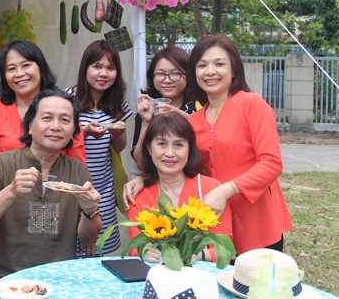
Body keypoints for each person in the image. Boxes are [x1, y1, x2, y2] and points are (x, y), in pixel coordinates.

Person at [125, 34, 293, 256]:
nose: (210, 71)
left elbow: (271, 163)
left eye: (219, 64)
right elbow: (182, 163)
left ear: (234, 69)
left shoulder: (252, 105)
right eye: (202, 65)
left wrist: (226, 190)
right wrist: (143, 179)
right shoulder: (194, 121)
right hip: (212, 225)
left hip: (256, 222)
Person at [0, 89, 102, 294]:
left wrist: (90, 210)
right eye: (47, 118)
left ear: (74, 130)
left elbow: (87, 239)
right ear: (30, 126)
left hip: (59, 281)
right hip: (3, 281)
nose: (55, 126)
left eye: (65, 120)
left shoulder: (77, 170)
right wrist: (10, 192)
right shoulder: (0, 164)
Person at [126, 113, 232, 263]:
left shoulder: (212, 190)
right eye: (161, 144)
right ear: (149, 148)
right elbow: (134, 247)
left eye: (178, 145)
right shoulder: (137, 195)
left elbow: (225, 251)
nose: (170, 153)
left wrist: (199, 255)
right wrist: (145, 251)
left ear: (189, 149)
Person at [0, 40, 85, 170]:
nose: (19, 74)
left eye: (26, 65)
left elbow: (77, 168)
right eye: (11, 69)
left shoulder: (64, 111)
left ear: (41, 68)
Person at [69, 40, 132, 255]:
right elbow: (56, 142)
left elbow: (119, 147)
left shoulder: (117, 104)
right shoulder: (67, 99)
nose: (103, 73)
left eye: (110, 68)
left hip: (102, 190)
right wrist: (84, 133)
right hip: (71, 190)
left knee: (99, 252)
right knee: (70, 253)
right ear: (85, 68)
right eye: (97, 66)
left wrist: (117, 135)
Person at [131, 46, 198, 173]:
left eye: (175, 74)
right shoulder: (147, 110)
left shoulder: (199, 108)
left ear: (188, 75)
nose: (167, 80)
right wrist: (146, 122)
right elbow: (141, 164)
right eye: (160, 74)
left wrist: (181, 115)